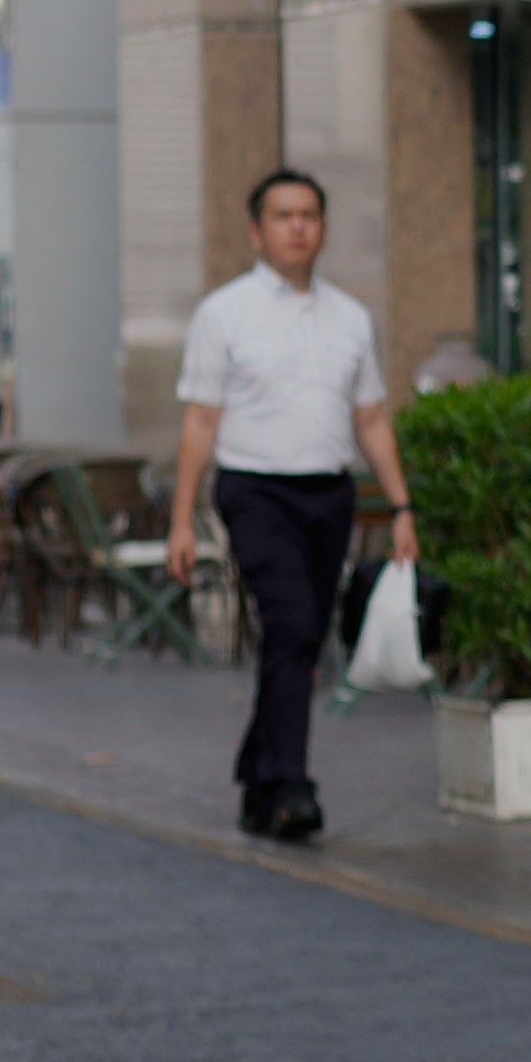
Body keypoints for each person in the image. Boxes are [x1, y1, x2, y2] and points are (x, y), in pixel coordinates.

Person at [166, 169, 420, 843]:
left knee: (297, 640)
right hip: (254, 490)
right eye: (283, 215)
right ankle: (292, 786)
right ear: (257, 230)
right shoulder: (224, 313)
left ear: (324, 229)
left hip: (328, 493)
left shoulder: (350, 318)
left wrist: (401, 507)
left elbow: (370, 419)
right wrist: (181, 520)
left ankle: (259, 775)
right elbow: (199, 421)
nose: (297, 227)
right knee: (294, 623)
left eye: (309, 215)